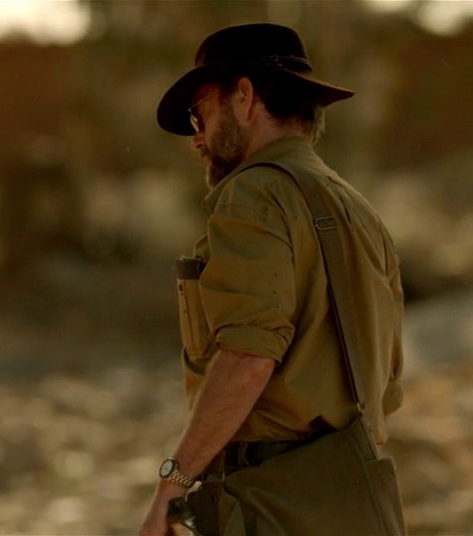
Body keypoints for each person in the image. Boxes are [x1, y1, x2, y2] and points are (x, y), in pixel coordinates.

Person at [139, 23, 407, 535]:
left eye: (200, 113)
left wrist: (171, 487)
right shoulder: (354, 205)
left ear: (243, 97)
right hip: (357, 498)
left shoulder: (254, 194)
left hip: (273, 504)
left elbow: (248, 357)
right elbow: (387, 392)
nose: (197, 139)